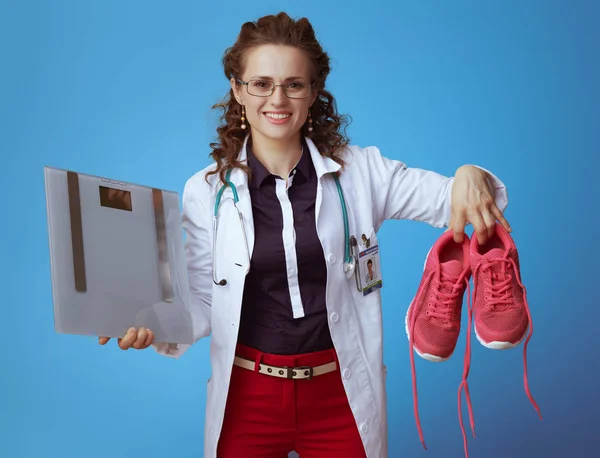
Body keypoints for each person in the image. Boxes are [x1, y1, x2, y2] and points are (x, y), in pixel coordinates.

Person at [98, 12, 512, 458]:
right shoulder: (207, 191)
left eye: (294, 84)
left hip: (339, 392)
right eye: (261, 83)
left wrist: (471, 176)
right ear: (238, 90)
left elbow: (462, 201)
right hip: (247, 396)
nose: (277, 98)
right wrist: (149, 323)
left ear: (313, 92)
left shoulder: (361, 173)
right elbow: (203, 301)